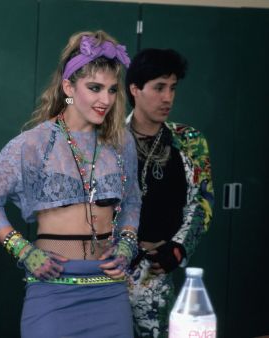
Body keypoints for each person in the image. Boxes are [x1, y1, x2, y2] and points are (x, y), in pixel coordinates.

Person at [0, 30, 141, 337]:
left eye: (112, 90)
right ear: (68, 86)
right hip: (53, 290)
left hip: (110, 290)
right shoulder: (34, 143)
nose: (106, 99)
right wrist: (24, 251)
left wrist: (127, 244)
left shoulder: (120, 141)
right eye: (95, 88)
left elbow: (132, 201)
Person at [125, 48, 214, 337]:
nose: (168, 97)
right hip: (108, 270)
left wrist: (178, 248)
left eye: (172, 88)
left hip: (156, 271)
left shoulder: (189, 141)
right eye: (159, 87)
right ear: (135, 89)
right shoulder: (108, 139)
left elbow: (202, 203)